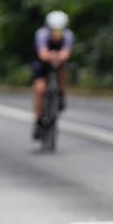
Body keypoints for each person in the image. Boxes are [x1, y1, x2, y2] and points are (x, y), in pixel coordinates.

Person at [31, 10, 74, 139]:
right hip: (42, 63)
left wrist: (58, 57)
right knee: (40, 89)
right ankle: (38, 120)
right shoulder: (41, 34)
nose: (56, 34)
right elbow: (42, 54)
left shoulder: (68, 35)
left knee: (63, 69)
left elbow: (66, 53)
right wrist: (54, 56)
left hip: (58, 61)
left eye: (59, 31)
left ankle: (61, 94)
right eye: (54, 30)